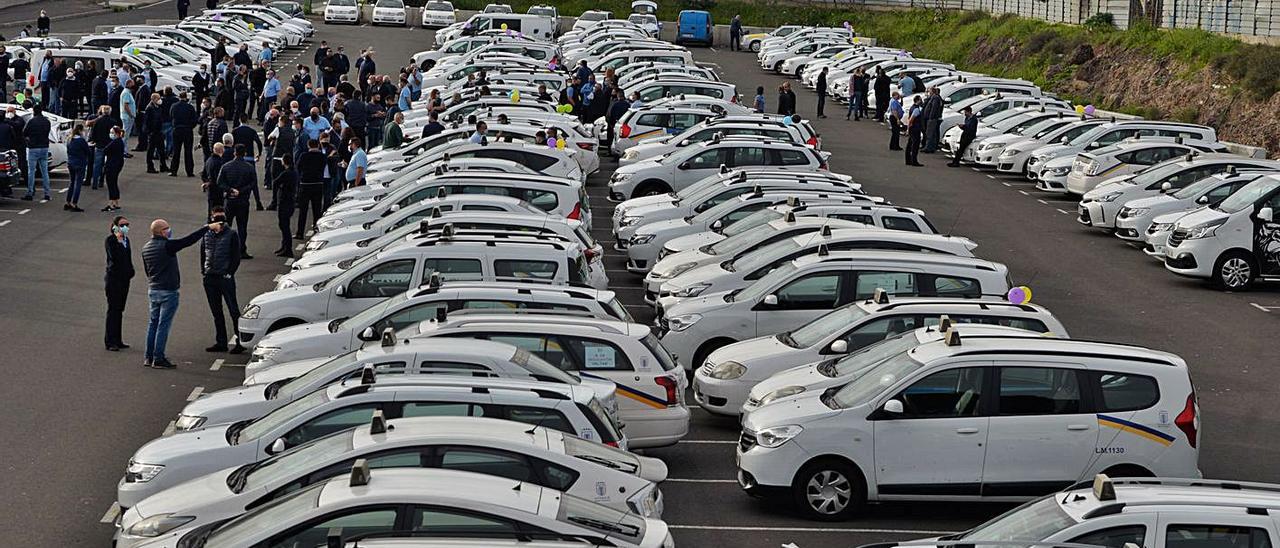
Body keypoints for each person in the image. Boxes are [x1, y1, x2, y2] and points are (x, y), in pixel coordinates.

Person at [142, 218, 220, 369]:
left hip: (153, 289)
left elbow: (147, 271)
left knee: (153, 323)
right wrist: (206, 228)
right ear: (161, 231)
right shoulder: (167, 245)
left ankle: (148, 356)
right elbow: (187, 241)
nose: (169, 230)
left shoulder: (146, 248)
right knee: (163, 325)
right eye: (167, 228)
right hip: (168, 290)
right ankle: (158, 358)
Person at [200, 206, 245, 353]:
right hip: (210, 277)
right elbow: (203, 253)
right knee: (216, 312)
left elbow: (236, 256)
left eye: (221, 218)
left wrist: (229, 273)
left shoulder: (231, 234)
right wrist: (204, 272)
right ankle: (221, 342)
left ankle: (240, 341)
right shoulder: (207, 234)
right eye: (216, 218)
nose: (219, 221)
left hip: (224, 277)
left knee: (233, 310)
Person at [216, 144, 257, 258]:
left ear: (234, 153)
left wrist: (230, 189)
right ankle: (241, 250)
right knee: (242, 227)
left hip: (229, 200)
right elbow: (253, 183)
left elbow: (219, 182)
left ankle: (224, 248)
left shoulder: (226, 166)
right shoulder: (249, 167)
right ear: (245, 154)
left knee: (226, 225)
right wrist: (241, 190)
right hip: (243, 200)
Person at [104, 215, 135, 352]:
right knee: (113, 310)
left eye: (127, 224)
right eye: (122, 225)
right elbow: (113, 257)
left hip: (124, 280)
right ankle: (110, 341)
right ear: (115, 226)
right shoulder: (111, 240)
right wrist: (117, 238)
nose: (125, 227)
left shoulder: (126, 240)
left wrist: (131, 272)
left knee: (120, 310)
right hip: (114, 280)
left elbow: (128, 258)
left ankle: (118, 339)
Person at [295, 138, 326, 238]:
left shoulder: (304, 156)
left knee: (303, 210)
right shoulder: (322, 156)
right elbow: (323, 166)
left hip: (305, 184)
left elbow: (298, 167)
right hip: (318, 183)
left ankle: (300, 232)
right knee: (317, 210)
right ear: (318, 145)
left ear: (308, 146)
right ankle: (317, 230)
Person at [21, 103, 51, 202]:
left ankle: (30, 192)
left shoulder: (31, 121)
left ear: (33, 111)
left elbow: (24, 133)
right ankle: (47, 193)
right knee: (44, 171)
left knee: (31, 171)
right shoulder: (47, 121)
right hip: (44, 147)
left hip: (33, 147)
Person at [272, 153, 297, 257]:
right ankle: (284, 246)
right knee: (284, 225)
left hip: (284, 202)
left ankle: (288, 249)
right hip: (290, 201)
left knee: (284, 226)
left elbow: (275, 182)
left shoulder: (286, 173)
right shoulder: (294, 173)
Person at [169, 92, 197, 177]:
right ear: (186, 97)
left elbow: (171, 116)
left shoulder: (174, 106)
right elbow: (194, 120)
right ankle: (189, 171)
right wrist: (190, 126)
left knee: (176, 151)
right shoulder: (190, 107)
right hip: (187, 130)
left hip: (177, 129)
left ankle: (174, 171)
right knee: (188, 151)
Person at [88, 105, 116, 190]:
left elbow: (93, 133)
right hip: (109, 145)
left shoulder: (97, 121)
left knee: (97, 165)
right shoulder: (113, 122)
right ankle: (102, 180)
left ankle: (95, 183)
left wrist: (94, 140)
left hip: (99, 145)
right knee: (107, 164)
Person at [64, 125, 89, 212]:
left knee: (71, 182)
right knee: (78, 184)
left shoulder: (69, 139)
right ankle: (74, 203)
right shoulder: (81, 141)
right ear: (80, 131)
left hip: (71, 162)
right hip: (80, 163)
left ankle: (68, 202)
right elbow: (87, 151)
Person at [143, 93, 168, 173]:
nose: (160, 100)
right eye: (158, 99)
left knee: (161, 150)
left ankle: (163, 166)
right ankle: (150, 167)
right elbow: (147, 122)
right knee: (151, 150)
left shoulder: (158, 107)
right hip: (153, 132)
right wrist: (149, 132)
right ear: (153, 99)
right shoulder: (149, 108)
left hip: (158, 131)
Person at [102, 125, 125, 211]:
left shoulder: (115, 142)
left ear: (117, 134)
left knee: (111, 183)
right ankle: (115, 202)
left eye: (112, 133)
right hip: (117, 164)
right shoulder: (120, 142)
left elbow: (105, 150)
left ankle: (111, 203)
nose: (111, 134)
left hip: (112, 165)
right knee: (114, 182)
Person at [202, 141, 227, 212]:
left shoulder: (209, 160)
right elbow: (218, 179)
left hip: (211, 191)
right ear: (222, 150)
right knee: (218, 211)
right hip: (217, 191)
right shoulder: (219, 163)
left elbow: (203, 174)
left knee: (211, 211)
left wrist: (206, 183)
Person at [922, 87, 944, 153]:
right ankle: (931, 147)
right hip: (931, 118)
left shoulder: (935, 98)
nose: (929, 92)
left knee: (930, 133)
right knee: (932, 133)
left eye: (929, 91)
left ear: (932, 91)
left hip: (932, 119)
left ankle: (928, 147)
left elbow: (934, 108)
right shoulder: (933, 97)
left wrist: (931, 117)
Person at [905, 96, 924, 167]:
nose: (921, 101)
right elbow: (911, 119)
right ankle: (914, 161)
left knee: (910, 144)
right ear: (918, 101)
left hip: (912, 129)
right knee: (915, 145)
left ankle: (908, 160)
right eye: (920, 100)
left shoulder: (912, 107)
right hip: (915, 129)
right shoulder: (916, 109)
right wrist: (908, 128)